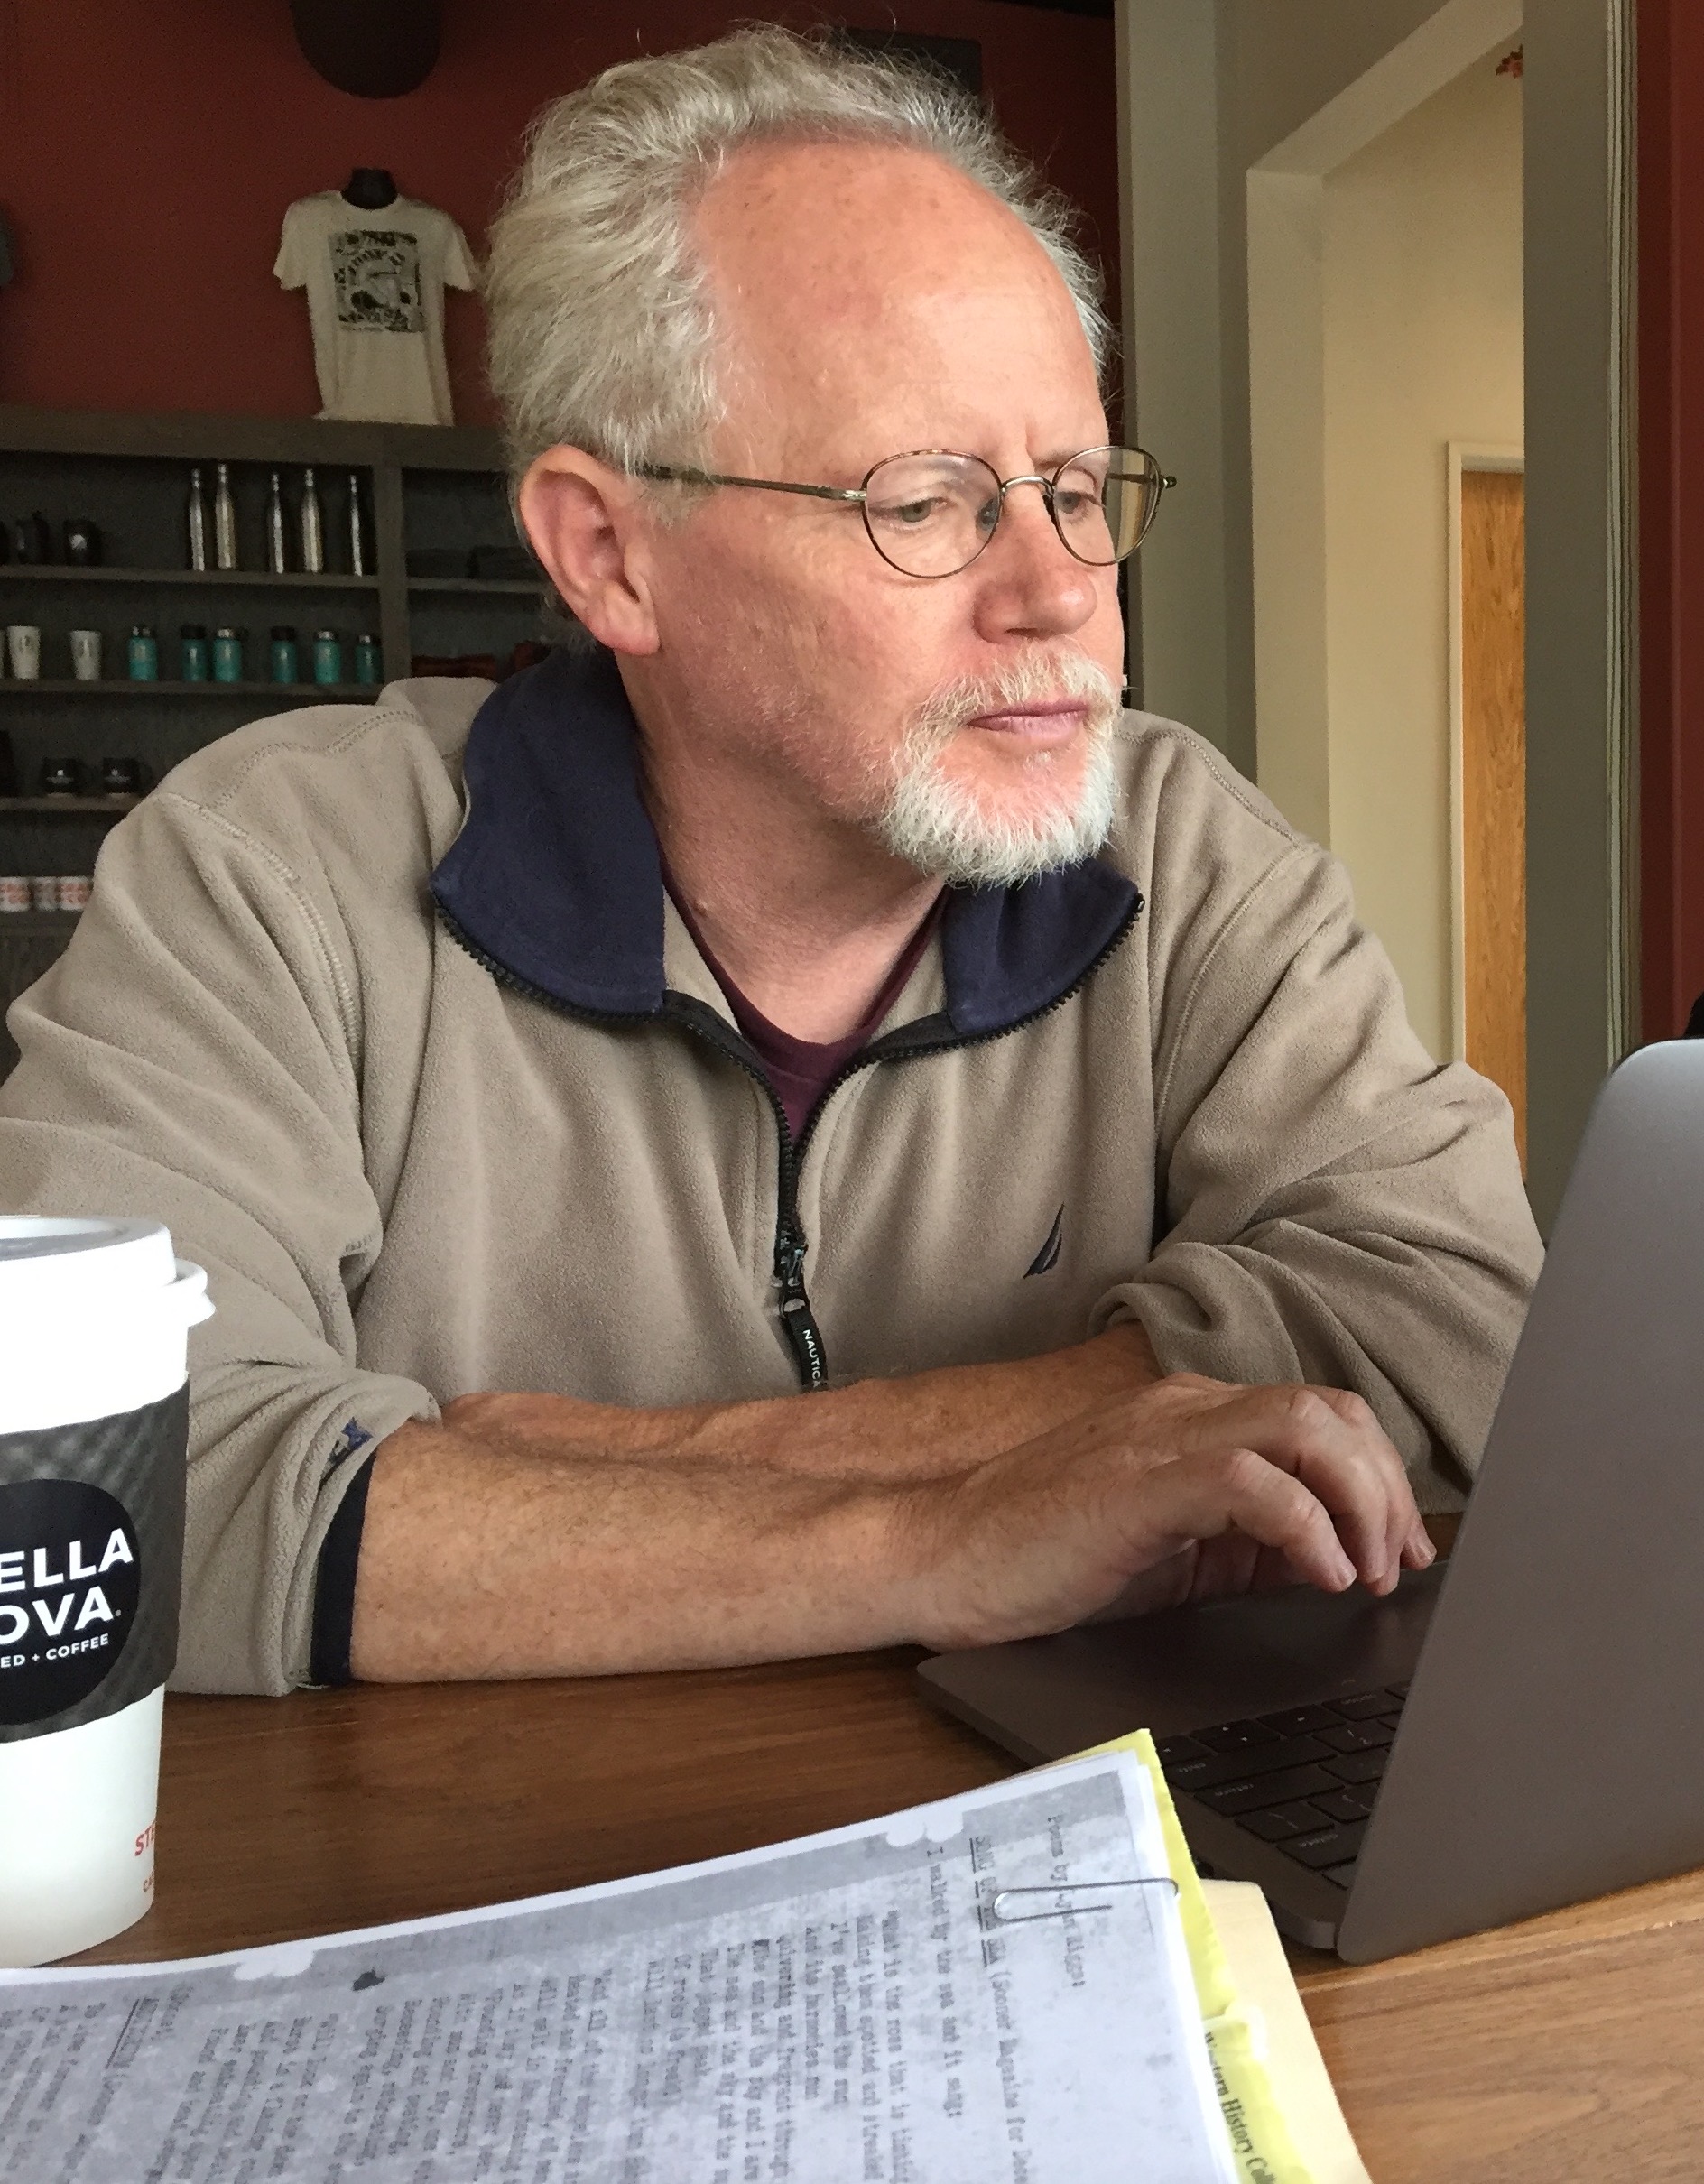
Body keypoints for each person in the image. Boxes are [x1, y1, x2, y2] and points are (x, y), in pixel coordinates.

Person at [0, 30, 1542, 1696]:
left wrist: (700, 1462)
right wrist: (944, 1537)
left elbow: (1457, 1314)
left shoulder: (1179, 846)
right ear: (611, 555)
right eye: (928, 501)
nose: (1061, 592)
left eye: (1080, 489)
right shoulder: (274, 873)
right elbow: (97, 1489)